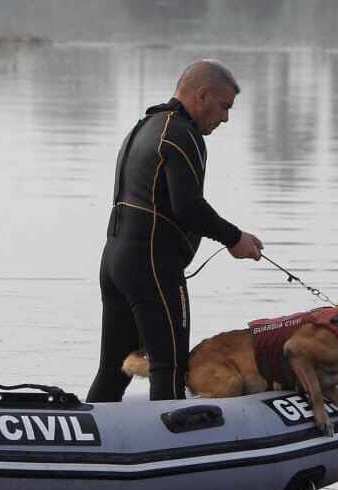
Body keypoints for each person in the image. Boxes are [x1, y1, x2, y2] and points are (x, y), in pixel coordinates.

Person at [86, 60, 265, 403]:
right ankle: (172, 448)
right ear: (202, 95)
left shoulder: (146, 126)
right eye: (224, 106)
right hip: (152, 265)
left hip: (115, 261)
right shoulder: (182, 133)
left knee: (114, 369)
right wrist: (234, 238)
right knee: (169, 366)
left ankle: (83, 443)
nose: (225, 117)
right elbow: (188, 207)